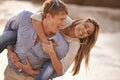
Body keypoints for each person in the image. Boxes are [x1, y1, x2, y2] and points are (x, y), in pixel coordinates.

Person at [1, 0, 71, 80]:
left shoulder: (61, 46)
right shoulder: (24, 19)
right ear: (48, 16)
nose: (63, 23)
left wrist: (32, 72)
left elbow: (55, 73)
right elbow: (8, 27)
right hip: (11, 73)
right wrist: (10, 51)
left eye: (65, 19)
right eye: (61, 19)